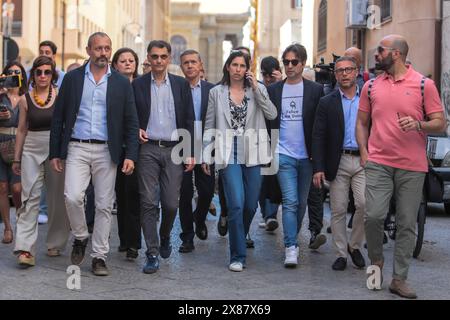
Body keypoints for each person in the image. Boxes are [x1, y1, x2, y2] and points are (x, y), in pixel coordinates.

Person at [356, 34, 446, 299]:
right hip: (379, 163)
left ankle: (399, 279)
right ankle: (376, 263)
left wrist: (419, 124)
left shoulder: (423, 85)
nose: (376, 55)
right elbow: (362, 123)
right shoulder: (370, 86)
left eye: (380, 51)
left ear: (396, 54)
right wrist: (364, 151)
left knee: (407, 224)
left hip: (412, 166)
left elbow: (440, 122)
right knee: (372, 216)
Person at [50, 32, 139, 276]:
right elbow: (59, 116)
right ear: (88, 49)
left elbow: (131, 121)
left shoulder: (120, 82)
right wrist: (55, 152)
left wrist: (130, 154)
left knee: (103, 205)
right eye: (98, 48)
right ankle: (80, 235)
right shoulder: (73, 78)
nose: (103, 53)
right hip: (76, 146)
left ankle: (99, 256)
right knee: (72, 196)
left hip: (106, 150)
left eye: (107, 48)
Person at [202, 50, 277, 272]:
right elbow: (209, 124)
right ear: (228, 67)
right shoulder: (216, 92)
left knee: (250, 203)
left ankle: (239, 230)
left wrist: (257, 89)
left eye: (242, 66)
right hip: (228, 152)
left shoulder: (258, 90)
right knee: (235, 203)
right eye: (234, 65)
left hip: (253, 150)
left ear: (247, 69)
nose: (237, 69)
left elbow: (272, 115)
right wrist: (207, 153)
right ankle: (238, 255)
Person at [132, 40, 195, 274]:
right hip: (147, 148)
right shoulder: (137, 85)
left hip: (174, 148)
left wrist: (190, 151)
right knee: (148, 202)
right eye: (154, 56)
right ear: (148, 58)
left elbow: (189, 119)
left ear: (169, 59)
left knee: (170, 203)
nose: (158, 61)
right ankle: (152, 252)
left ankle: (166, 234)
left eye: (163, 56)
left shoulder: (180, 85)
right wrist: (136, 128)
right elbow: (131, 116)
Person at [267, 44, 325, 268]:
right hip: (283, 154)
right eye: (286, 62)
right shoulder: (274, 90)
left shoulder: (315, 90)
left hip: (307, 157)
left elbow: (320, 127)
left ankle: (293, 237)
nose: (289, 66)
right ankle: (291, 246)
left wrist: (319, 160)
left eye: (294, 62)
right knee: (290, 201)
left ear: (303, 63)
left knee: (301, 203)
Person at [12, 56, 71, 267]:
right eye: (39, 72)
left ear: (53, 74)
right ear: (33, 75)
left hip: (55, 149)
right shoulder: (25, 99)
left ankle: (55, 243)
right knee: (30, 197)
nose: (43, 76)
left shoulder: (60, 95)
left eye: (47, 72)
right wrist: (16, 158)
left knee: (57, 198)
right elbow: (21, 130)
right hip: (31, 148)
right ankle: (26, 249)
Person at [312, 56, 366, 271]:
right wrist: (318, 168)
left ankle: (355, 246)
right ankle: (341, 253)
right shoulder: (327, 102)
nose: (344, 74)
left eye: (349, 70)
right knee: (338, 209)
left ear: (357, 72)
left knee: (364, 205)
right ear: (335, 75)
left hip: (363, 159)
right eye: (340, 70)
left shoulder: (368, 99)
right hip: (338, 161)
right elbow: (318, 135)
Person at [178, 49, 215, 253]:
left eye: (193, 62)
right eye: (186, 63)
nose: (190, 65)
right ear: (181, 67)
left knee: (207, 190)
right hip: (182, 145)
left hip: (207, 144)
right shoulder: (176, 88)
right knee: (184, 193)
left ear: (201, 65)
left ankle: (199, 218)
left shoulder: (213, 90)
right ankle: (187, 237)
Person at [111, 47, 141, 260]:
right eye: (123, 60)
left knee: (134, 195)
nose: (128, 63)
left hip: (138, 148)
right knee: (120, 195)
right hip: (114, 148)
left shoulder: (141, 86)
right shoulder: (110, 86)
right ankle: (123, 239)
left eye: (131, 60)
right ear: (115, 65)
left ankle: (134, 243)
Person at [0, 61, 27, 244]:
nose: (14, 75)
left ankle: (20, 220)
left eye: (17, 72)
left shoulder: (27, 97)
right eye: (10, 72)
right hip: (0, 142)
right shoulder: (0, 96)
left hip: (20, 145)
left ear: (22, 76)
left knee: (17, 188)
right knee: (2, 187)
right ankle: (8, 228)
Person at [258, 56, 283, 231]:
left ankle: (271, 215)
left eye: (270, 75)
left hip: (278, 139)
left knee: (274, 178)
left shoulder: (283, 87)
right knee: (261, 180)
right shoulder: (257, 88)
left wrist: (280, 83)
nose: (268, 79)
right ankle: (267, 215)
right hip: (259, 139)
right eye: (265, 75)